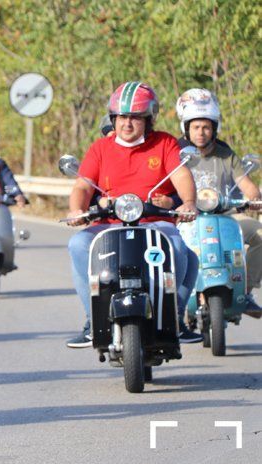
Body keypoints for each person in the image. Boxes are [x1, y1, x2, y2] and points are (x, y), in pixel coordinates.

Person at [64, 81, 200, 348]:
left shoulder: (165, 143)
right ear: (113, 119)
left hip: (155, 223)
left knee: (178, 249)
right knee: (77, 244)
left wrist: (189, 202)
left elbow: (181, 174)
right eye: (122, 117)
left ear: (148, 120)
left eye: (135, 118)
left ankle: (175, 317)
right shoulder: (100, 148)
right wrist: (77, 210)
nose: (127, 124)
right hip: (108, 225)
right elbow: (82, 184)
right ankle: (93, 320)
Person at [176, 88, 262, 318]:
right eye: (195, 127)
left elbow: (247, 186)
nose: (201, 132)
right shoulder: (176, 154)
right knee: (167, 246)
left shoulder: (226, 155)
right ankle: (172, 298)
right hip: (187, 219)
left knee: (260, 234)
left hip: (226, 217)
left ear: (215, 128)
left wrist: (254, 199)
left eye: (206, 127)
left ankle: (245, 291)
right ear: (186, 128)